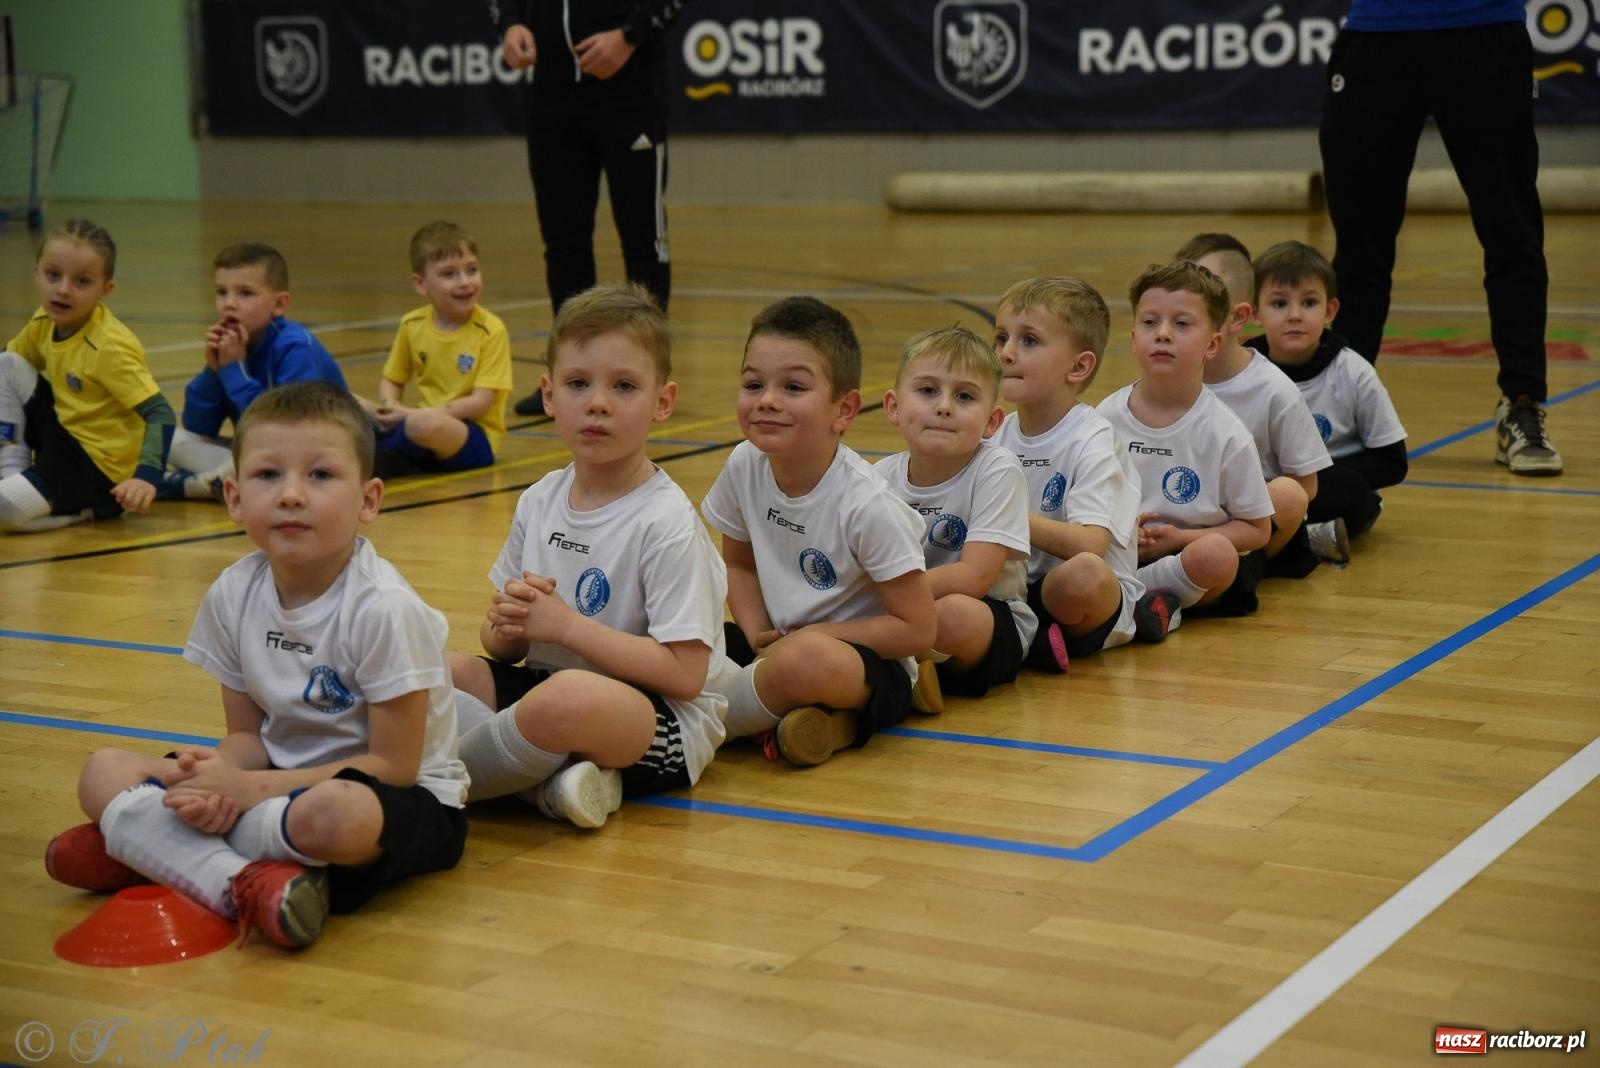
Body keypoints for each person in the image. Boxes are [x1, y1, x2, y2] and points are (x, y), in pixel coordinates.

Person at [43, 381, 470, 949]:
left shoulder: (386, 608)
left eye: (320, 475)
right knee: (103, 770)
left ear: (369, 500)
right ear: (234, 497)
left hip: (394, 798)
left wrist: (245, 789)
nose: (291, 494)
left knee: (334, 816)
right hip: (272, 781)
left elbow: (393, 766)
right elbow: (246, 736)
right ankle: (245, 879)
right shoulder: (232, 592)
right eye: (268, 475)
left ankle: (160, 851)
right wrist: (216, 778)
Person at [446, 283, 727, 829]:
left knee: (568, 698)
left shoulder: (665, 520)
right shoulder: (540, 498)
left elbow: (686, 674)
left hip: (659, 722)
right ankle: (546, 787)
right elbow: (503, 649)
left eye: (623, 386)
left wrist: (568, 627)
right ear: (549, 395)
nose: (597, 402)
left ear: (662, 402)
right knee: (438, 671)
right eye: (578, 383)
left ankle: (438, 787)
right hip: (551, 691)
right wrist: (507, 627)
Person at [1319, 0, 1561, 476]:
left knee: (1512, 233)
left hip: (1484, 26)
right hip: (1377, 33)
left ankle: (1522, 402)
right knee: (1360, 248)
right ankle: (1338, 409)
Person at [701, 297, 934, 767]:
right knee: (676, 635)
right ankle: (818, 723)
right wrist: (758, 632)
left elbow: (917, 629)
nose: (767, 399)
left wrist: (818, 636)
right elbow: (738, 564)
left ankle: (693, 727)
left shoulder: (868, 505)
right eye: (753, 383)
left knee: (807, 661)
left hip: (865, 665)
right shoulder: (744, 464)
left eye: (793, 387)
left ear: (843, 410)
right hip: (775, 646)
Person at [495, 1, 687, 419]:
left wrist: (629, 35)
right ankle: (574, 376)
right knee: (564, 243)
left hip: (630, 89)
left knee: (643, 241)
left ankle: (645, 378)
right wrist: (510, 25)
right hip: (552, 95)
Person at [1097, 263, 1274, 634]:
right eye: (1149, 322)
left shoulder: (1226, 433)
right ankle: (1143, 606)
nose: (1162, 334)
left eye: (1181, 324)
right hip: (1117, 553)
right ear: (1133, 339)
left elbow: (1257, 530)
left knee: (1216, 556)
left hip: (1185, 559)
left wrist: (1181, 539)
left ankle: (1145, 603)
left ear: (1212, 343)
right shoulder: (1105, 417)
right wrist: (1122, 532)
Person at [991, 277, 1149, 665]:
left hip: (1077, 594)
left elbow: (1089, 546)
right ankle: (1029, 639)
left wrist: (1001, 518)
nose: (1007, 353)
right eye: (1001, 338)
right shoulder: (998, 435)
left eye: (1029, 340)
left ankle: (1033, 639)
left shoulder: (1093, 438)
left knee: (1084, 577)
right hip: (1018, 591)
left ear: (1078, 366)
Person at [875, 325, 1035, 704]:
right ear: (894, 406)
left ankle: (892, 679)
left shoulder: (997, 468)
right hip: (904, 612)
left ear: (992, 422)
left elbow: (975, 577)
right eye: (928, 390)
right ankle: (902, 684)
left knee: (957, 615)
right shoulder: (875, 479)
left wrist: (885, 600)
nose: (944, 406)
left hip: (991, 617)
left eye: (964, 396)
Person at [0, 218, 174, 533]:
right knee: (6, 363)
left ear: (105, 290)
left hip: (96, 466)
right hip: (61, 433)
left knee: (5, 511)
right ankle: (12, 474)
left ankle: (92, 509)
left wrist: (146, 477)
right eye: (53, 275)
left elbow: (160, 413)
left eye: (82, 281)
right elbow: (9, 375)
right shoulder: (44, 320)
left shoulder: (109, 346)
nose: (63, 290)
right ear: (36, 273)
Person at [1176, 233, 1331, 575]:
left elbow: (1306, 486)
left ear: (1237, 317)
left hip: (1250, 531)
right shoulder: (1165, 382)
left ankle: (1241, 570)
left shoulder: (1274, 389)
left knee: (1288, 495)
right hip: (1180, 518)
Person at [1247, 241, 1409, 560]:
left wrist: (1310, 477)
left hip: (1329, 493)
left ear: (1330, 310)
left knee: (1346, 488)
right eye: (1279, 304)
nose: (1295, 315)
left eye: (1308, 302)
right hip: (1262, 492)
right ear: (1254, 313)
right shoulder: (1243, 370)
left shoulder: (1353, 372)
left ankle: (1289, 540)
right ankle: (1298, 543)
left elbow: (1392, 463)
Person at [161, 242, 346, 501]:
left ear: (279, 304)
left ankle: (186, 485)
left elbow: (286, 428)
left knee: (262, 466)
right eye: (221, 292)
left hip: (312, 457)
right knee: (162, 437)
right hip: (261, 454)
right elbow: (198, 425)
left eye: (245, 293)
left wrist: (234, 370)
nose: (229, 304)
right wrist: (214, 372)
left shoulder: (295, 347)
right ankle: (210, 482)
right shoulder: (233, 345)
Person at [362, 221, 513, 479]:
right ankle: (387, 454)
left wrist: (410, 414)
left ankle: (380, 457)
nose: (465, 282)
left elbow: (480, 403)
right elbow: (392, 378)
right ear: (421, 284)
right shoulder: (412, 324)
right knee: (351, 404)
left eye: (472, 270)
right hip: (419, 425)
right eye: (449, 274)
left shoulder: (491, 329)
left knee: (422, 424)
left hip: (472, 435)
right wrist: (388, 406)